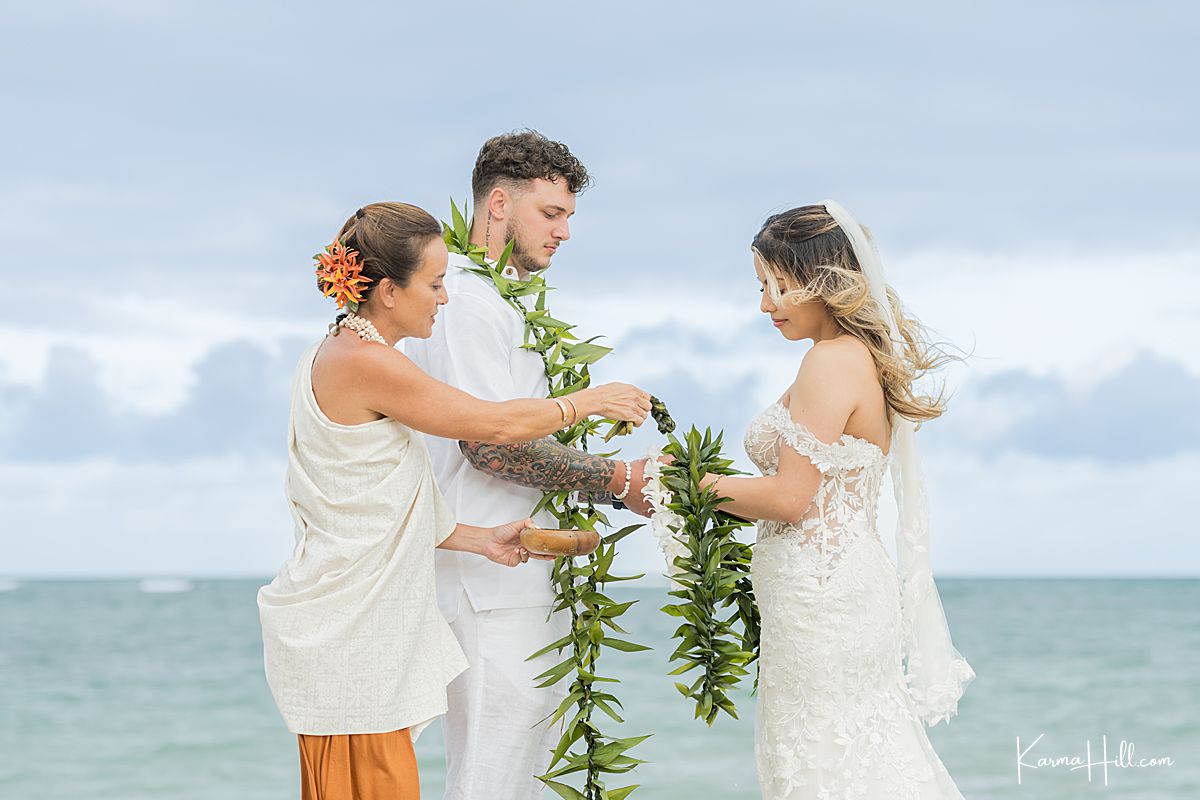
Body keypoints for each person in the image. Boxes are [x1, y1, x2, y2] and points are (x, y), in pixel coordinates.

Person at [257, 201, 652, 800]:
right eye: (436, 283)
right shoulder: (364, 363)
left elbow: (376, 501)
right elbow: (488, 426)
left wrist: (478, 539)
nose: (445, 298)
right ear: (388, 291)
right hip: (351, 626)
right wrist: (588, 402)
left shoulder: (345, 353)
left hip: (359, 621)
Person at [405, 131, 654, 799]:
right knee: (491, 779)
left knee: (529, 780)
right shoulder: (462, 298)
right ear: (497, 203)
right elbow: (488, 442)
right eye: (551, 214)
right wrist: (618, 482)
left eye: (569, 215)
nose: (566, 231)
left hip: (524, 571)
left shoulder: (508, 297)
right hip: (485, 582)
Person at [696, 201, 974, 798]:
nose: (765, 304)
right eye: (761, 287)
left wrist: (688, 487)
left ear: (822, 280)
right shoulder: (853, 357)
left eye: (778, 286)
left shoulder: (828, 361)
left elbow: (792, 497)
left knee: (826, 753)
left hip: (821, 599)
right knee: (841, 748)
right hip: (832, 591)